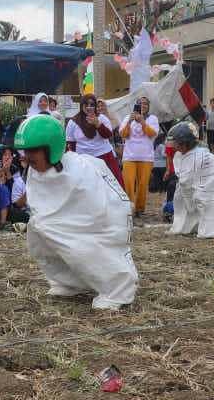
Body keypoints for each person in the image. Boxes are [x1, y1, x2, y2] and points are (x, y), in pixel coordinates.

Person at [14, 113, 138, 311]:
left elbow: (101, 207)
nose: (27, 157)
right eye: (24, 151)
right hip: (66, 225)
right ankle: (70, 282)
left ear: (51, 148)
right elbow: (41, 204)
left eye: (32, 151)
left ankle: (117, 289)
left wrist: (69, 229)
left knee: (82, 246)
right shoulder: (34, 170)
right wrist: (52, 225)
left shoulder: (81, 170)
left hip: (99, 225)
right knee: (38, 235)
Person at [166, 122, 214, 240]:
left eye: (177, 142)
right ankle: (186, 226)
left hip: (213, 186)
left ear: (185, 143)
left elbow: (188, 179)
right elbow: (184, 180)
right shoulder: (180, 155)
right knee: (179, 196)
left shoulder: (201, 156)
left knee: (203, 198)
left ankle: (209, 230)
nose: (174, 145)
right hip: (198, 184)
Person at [65, 93, 125, 187]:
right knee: (87, 187)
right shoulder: (73, 122)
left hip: (104, 157)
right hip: (84, 159)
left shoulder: (102, 118)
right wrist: (74, 161)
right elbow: (71, 144)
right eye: (86, 104)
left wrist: (98, 124)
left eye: (92, 104)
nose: (89, 107)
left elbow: (108, 135)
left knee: (113, 186)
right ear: (82, 105)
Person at [118, 97, 159, 218]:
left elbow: (152, 134)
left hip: (146, 157)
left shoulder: (153, 118)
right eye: (140, 104)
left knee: (142, 184)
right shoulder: (127, 118)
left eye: (146, 104)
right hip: (129, 157)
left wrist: (142, 122)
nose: (143, 106)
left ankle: (140, 208)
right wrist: (130, 121)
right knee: (129, 182)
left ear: (149, 106)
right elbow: (123, 134)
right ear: (136, 105)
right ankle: (129, 207)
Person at [0, 145, 30, 223]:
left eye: (10, 155)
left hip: (12, 202)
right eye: (5, 155)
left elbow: (13, 187)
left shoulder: (15, 169)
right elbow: (1, 185)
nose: (8, 157)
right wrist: (3, 170)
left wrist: (7, 170)